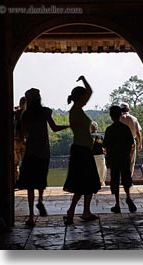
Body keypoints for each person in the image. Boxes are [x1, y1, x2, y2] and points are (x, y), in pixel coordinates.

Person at [16, 88, 69, 226]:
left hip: (31, 151)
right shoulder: (45, 112)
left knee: (29, 184)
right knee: (41, 178)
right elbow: (55, 128)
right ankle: (40, 200)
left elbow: (21, 136)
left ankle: (31, 216)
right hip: (44, 150)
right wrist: (69, 125)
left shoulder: (25, 115)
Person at [63, 76, 101, 224]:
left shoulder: (76, 110)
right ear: (80, 97)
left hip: (83, 150)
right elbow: (90, 91)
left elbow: (89, 92)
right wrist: (84, 79)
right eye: (83, 96)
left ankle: (82, 211)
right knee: (83, 183)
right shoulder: (76, 110)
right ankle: (73, 211)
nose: (86, 98)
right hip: (81, 151)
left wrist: (84, 81)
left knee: (87, 183)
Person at [103, 105, 137, 213]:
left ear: (111, 116)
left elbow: (105, 146)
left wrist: (108, 157)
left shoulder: (109, 130)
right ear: (120, 115)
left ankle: (117, 203)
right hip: (124, 157)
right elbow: (131, 143)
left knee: (115, 180)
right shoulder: (125, 128)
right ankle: (128, 197)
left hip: (114, 159)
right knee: (126, 178)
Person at [120, 102, 143, 176]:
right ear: (128, 109)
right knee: (131, 161)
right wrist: (140, 143)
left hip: (121, 141)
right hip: (131, 141)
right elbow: (138, 132)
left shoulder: (118, 118)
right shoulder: (134, 119)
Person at [14, 96, 26, 183]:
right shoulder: (27, 114)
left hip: (17, 139)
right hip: (21, 140)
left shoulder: (16, 113)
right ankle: (21, 181)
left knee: (16, 163)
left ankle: (17, 180)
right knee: (19, 163)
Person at [90, 121, 107, 186]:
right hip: (100, 158)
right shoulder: (101, 137)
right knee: (101, 180)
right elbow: (105, 148)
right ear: (97, 128)